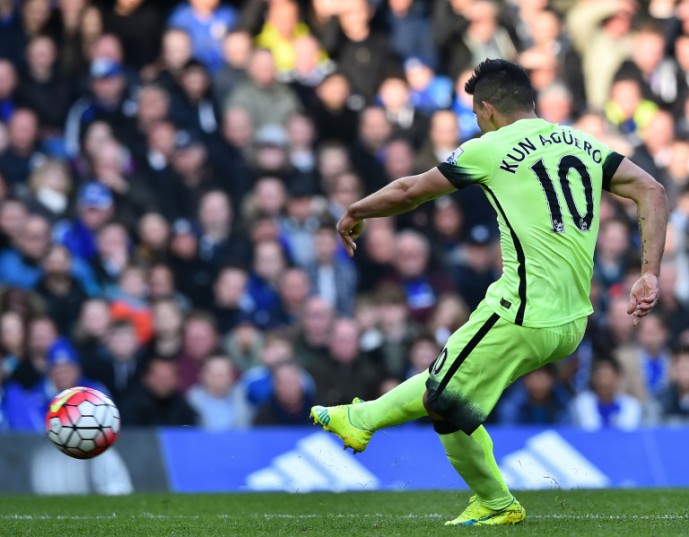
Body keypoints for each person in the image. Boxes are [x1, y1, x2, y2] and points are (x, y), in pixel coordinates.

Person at [310, 59, 668, 527]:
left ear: (489, 108)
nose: (476, 122)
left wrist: (356, 210)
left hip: (522, 312)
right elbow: (653, 190)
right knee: (450, 393)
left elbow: (410, 191)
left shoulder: (491, 147)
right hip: (574, 319)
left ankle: (376, 430)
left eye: (476, 114)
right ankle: (385, 435)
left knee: (443, 394)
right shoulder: (583, 142)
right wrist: (649, 272)